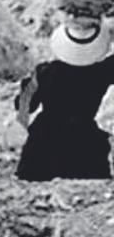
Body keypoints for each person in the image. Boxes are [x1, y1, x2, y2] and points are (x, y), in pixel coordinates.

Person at [15, 16, 114, 180]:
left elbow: (25, 106)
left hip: (44, 142)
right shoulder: (101, 73)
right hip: (83, 140)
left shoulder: (43, 72)